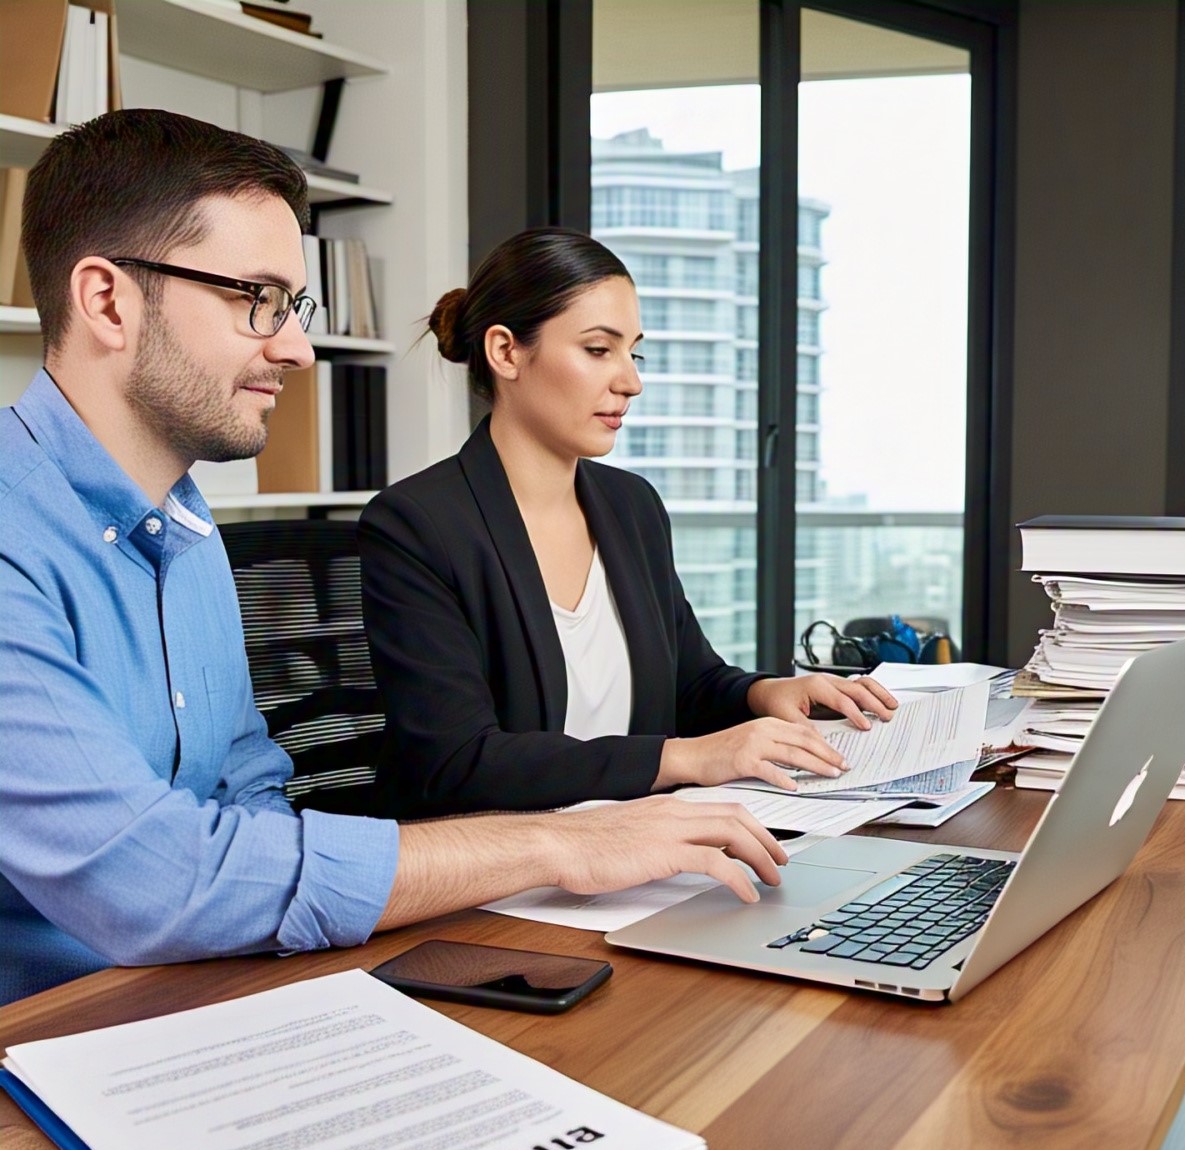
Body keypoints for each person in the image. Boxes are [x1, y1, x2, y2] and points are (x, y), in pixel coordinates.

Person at [0, 111, 787, 1008]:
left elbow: (250, 787)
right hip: (48, 1042)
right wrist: (552, 844)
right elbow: (147, 877)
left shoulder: (183, 526)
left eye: (295, 307)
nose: (296, 346)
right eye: (256, 299)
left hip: (202, 994)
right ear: (109, 301)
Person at [358, 228, 898, 817]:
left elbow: (689, 684)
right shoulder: (416, 525)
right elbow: (459, 761)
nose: (631, 382)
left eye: (633, 353)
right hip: (502, 869)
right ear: (506, 352)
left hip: (639, 850)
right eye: (598, 350)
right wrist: (685, 759)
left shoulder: (631, 505)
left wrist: (768, 693)